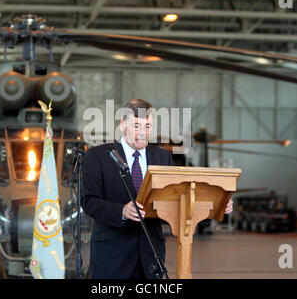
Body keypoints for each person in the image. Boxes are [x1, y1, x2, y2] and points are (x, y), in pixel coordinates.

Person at [81, 99, 233, 279]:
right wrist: (121, 211)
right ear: (123, 125)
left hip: (151, 255)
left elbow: (180, 197)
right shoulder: (98, 156)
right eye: (136, 126)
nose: (143, 133)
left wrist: (216, 202)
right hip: (112, 255)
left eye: (147, 127)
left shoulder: (163, 157)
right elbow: (89, 201)